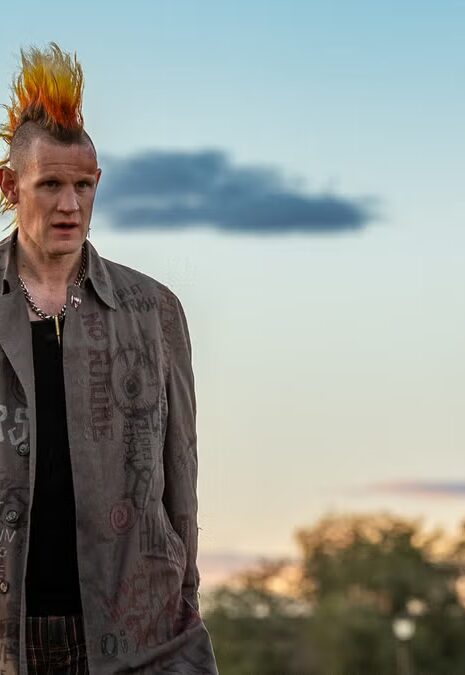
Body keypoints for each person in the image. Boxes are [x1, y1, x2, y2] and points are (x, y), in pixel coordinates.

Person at [0, 44, 218, 673]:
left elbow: (181, 476)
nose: (69, 205)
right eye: (50, 185)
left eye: (83, 186)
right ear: (11, 186)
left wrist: (184, 606)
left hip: (138, 639)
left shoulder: (153, 311)